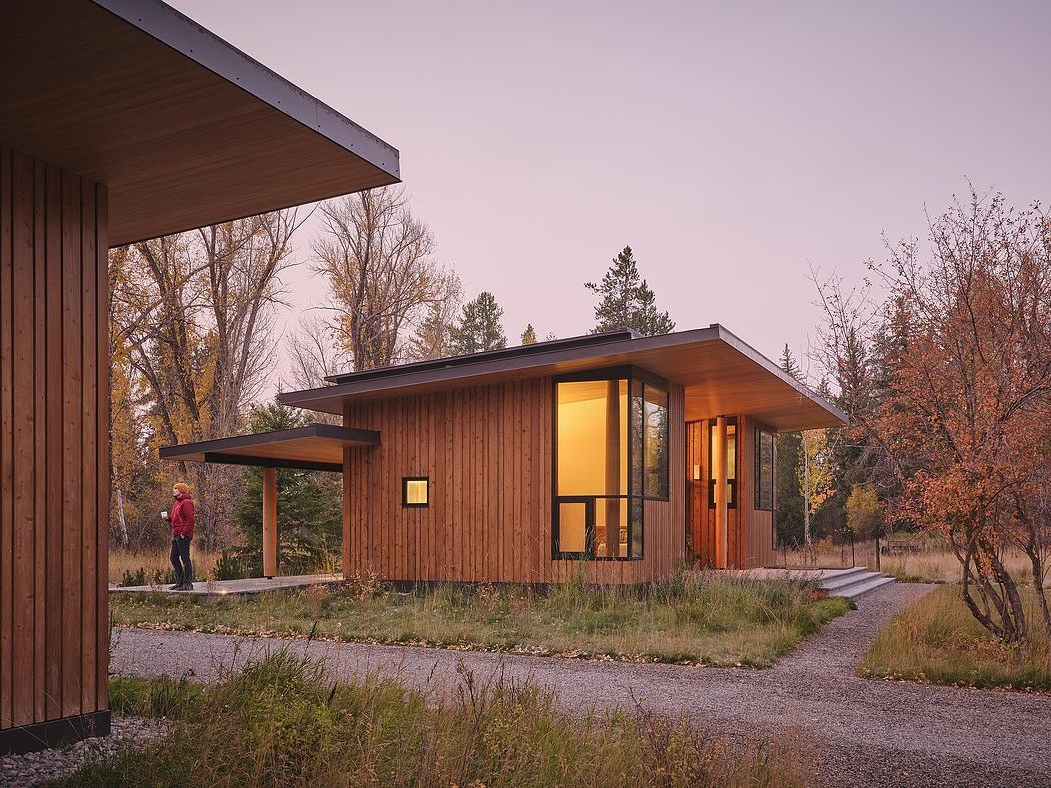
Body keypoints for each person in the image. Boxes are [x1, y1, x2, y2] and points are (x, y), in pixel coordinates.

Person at [167, 482, 195, 591]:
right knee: (173, 558)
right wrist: (168, 518)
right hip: (176, 534)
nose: (173, 490)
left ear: (181, 491)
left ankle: (188, 584)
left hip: (183, 535)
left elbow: (190, 519)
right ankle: (180, 582)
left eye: (176, 489)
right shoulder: (176, 503)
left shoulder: (187, 502)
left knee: (185, 558)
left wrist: (184, 533)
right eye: (173, 488)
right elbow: (176, 519)